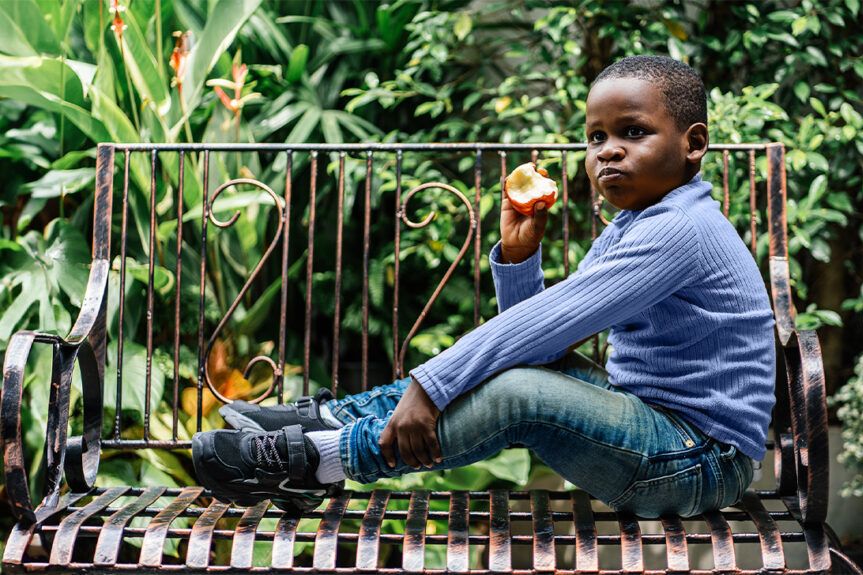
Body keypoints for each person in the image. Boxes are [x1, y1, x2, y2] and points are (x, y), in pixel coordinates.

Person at [192, 55, 776, 517]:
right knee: (519, 372)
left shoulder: (681, 231)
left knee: (516, 391)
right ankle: (332, 421)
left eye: (633, 132)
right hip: (659, 434)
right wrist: (520, 255)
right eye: (596, 138)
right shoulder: (638, 222)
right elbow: (541, 344)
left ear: (693, 144)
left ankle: (316, 460)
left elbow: (542, 332)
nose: (608, 151)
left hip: (698, 461)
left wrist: (433, 386)